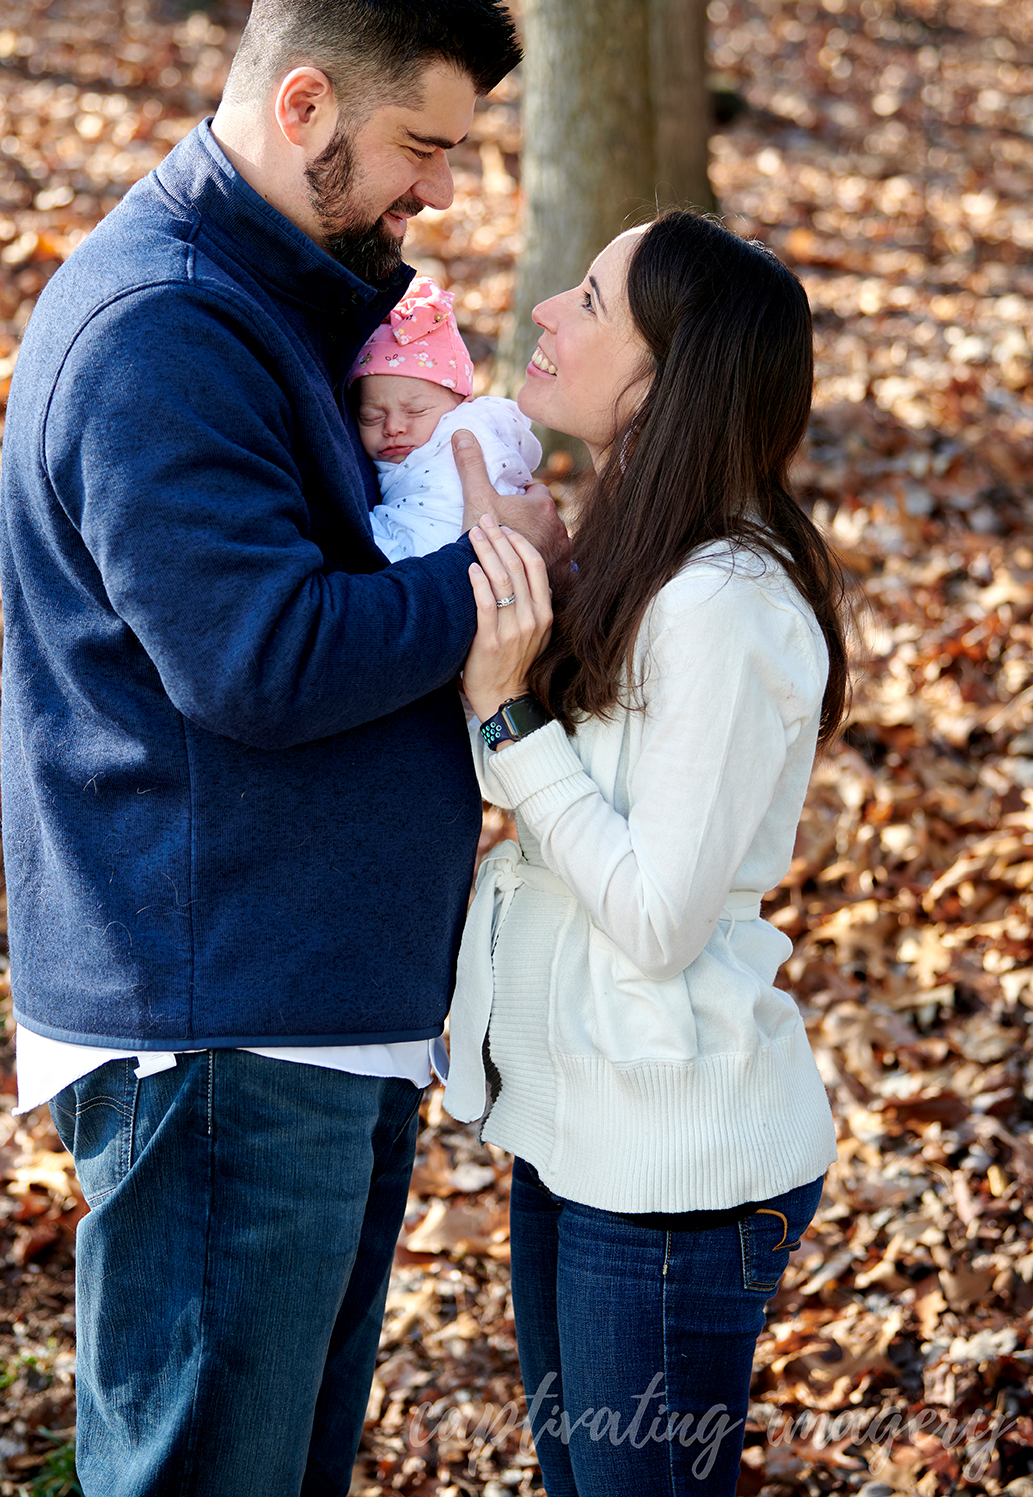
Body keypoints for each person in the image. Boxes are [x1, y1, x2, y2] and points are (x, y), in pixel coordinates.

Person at [0, 0, 567, 1497]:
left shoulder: (293, 301)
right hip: (218, 1015)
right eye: (422, 146)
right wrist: (496, 588)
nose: (442, 189)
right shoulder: (163, 334)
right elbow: (258, 656)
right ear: (304, 104)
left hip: (309, 1005)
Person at [443, 211, 848, 1497]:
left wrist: (510, 713)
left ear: (664, 379)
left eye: (590, 299)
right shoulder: (637, 556)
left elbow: (660, 917)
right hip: (580, 1140)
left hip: (676, 1182)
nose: (549, 313)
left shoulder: (725, 603)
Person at [348, 273, 542, 559]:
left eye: (415, 411)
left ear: (461, 401)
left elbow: (436, 534)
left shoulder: (465, 435)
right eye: (371, 417)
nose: (393, 427)